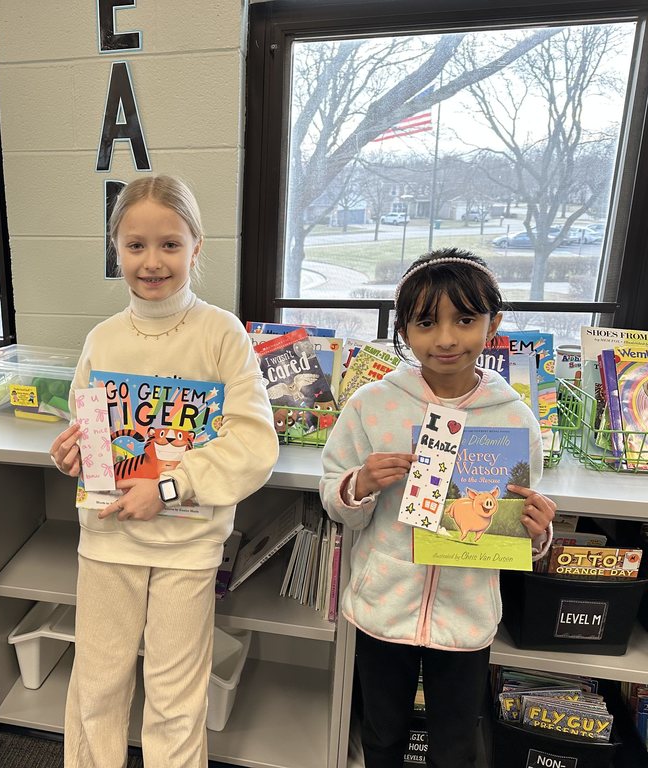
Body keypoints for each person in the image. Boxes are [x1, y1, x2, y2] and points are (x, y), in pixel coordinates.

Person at [49, 175, 278, 767]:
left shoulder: (222, 334)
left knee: (176, 696)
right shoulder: (101, 339)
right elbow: (88, 437)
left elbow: (254, 444)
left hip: (187, 547)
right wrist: (73, 454)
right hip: (108, 540)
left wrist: (170, 488)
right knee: (97, 687)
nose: (152, 262)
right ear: (116, 250)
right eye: (135, 245)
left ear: (196, 248)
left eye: (170, 245)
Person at [320, 248, 556, 768]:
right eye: (426, 322)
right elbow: (335, 499)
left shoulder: (515, 417)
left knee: (454, 745)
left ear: (493, 325)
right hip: (383, 606)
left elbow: (519, 519)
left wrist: (538, 533)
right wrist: (358, 484)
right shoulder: (370, 405)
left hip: (467, 614)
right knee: (382, 736)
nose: (446, 338)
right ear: (403, 330)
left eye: (465, 320)